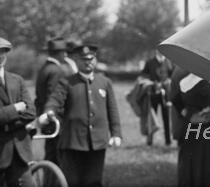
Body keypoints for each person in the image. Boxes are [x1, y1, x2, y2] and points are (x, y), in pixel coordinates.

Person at [40, 42, 122, 187]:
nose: (88, 62)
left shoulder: (104, 82)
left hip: (97, 142)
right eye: (83, 59)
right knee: (73, 181)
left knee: (94, 181)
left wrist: (116, 134)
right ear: (76, 61)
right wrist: (49, 112)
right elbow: (55, 100)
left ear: (95, 60)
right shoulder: (66, 82)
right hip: (73, 141)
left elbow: (112, 110)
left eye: (91, 59)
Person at [170, 67, 210, 187]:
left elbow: (175, 98)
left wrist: (189, 115)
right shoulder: (199, 79)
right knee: (205, 165)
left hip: (189, 128)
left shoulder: (180, 75)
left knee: (190, 166)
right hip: (202, 131)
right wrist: (204, 113)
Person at [0, 37, 36, 187]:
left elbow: (31, 112)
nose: (0, 56)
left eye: (3, 52)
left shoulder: (17, 80)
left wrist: (8, 120)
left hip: (20, 151)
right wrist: (16, 108)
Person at [34, 38, 71, 186]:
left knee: (51, 155)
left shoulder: (45, 68)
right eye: (64, 52)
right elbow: (53, 96)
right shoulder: (56, 70)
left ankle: (48, 183)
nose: (66, 55)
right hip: (54, 120)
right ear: (60, 53)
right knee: (57, 156)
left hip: (44, 118)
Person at [140, 49, 173, 145]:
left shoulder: (169, 62)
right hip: (152, 94)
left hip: (166, 95)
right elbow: (143, 76)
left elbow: (173, 76)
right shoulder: (150, 62)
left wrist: (167, 82)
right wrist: (152, 83)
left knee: (166, 118)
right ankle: (149, 141)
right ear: (156, 51)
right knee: (151, 118)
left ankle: (168, 141)